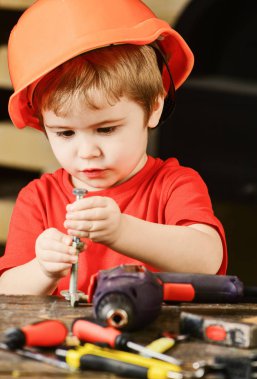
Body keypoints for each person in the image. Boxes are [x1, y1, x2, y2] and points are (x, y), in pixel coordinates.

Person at [0, 0, 227, 295]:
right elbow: (7, 292)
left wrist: (121, 230)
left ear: (154, 107)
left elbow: (207, 260)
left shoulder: (174, 185)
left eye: (106, 129)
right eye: (66, 133)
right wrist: (42, 269)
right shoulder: (38, 198)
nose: (87, 152)